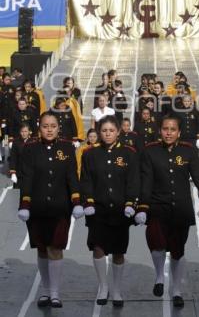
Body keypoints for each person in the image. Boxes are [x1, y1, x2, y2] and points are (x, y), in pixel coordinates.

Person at [135, 114, 199, 308]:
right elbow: (146, 182)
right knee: (156, 243)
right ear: (159, 130)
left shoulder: (188, 151)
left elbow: (198, 177)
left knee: (178, 251)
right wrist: (142, 206)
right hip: (157, 206)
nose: (168, 133)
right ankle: (159, 277)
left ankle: (177, 290)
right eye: (165, 129)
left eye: (172, 129)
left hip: (181, 208)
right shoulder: (149, 151)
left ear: (179, 132)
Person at [17, 112, 84, 308]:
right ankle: (46, 291)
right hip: (36, 208)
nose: (49, 129)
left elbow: (72, 176)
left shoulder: (67, 147)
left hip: (59, 207)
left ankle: (54, 293)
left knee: (55, 248)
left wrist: (77, 201)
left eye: (52, 126)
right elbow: (27, 177)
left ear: (58, 128)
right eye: (45, 126)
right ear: (39, 127)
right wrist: (25, 204)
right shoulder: (30, 149)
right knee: (42, 249)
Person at [80, 116, 139, 308]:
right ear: (98, 132)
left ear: (118, 132)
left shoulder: (129, 153)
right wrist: (88, 202)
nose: (107, 134)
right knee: (98, 248)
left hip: (121, 210)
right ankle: (103, 286)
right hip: (98, 209)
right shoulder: (90, 154)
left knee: (118, 251)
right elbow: (86, 180)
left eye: (111, 130)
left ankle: (116, 289)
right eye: (104, 130)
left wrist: (131, 203)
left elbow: (133, 181)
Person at [8, 123, 32, 188]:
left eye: (25, 131)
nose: (24, 133)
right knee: (17, 194)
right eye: (22, 131)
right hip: (19, 173)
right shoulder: (16, 142)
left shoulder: (33, 142)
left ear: (29, 132)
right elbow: (13, 158)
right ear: (19, 132)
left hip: (30, 174)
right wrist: (13, 172)